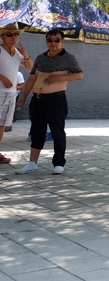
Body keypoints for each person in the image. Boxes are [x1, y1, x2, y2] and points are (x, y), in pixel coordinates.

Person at [15, 31, 82, 175]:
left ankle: (58, 163)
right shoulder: (40, 57)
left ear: (62, 41)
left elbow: (79, 75)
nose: (53, 43)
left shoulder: (68, 58)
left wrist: (59, 78)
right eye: (50, 40)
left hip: (56, 100)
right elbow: (32, 78)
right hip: (37, 100)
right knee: (36, 131)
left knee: (57, 131)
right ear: (46, 41)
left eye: (57, 40)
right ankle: (32, 163)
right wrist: (24, 97)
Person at [0, 24, 33, 165]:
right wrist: (1, 77)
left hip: (12, 93)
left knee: (2, 125)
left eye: (16, 34)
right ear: (2, 37)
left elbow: (31, 68)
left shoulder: (18, 53)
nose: (13, 37)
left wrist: (25, 54)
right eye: (9, 34)